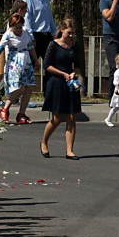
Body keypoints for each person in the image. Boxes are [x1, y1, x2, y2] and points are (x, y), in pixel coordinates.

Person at [38, 18, 82, 160]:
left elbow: (78, 65)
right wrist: (63, 74)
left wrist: (74, 72)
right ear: (62, 30)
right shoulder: (53, 45)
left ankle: (70, 151)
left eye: (73, 33)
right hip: (56, 82)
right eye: (69, 32)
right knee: (57, 118)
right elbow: (46, 65)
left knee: (71, 117)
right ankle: (44, 141)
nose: (71, 35)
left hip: (70, 83)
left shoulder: (74, 46)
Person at [0, 14, 38, 124]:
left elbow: (30, 47)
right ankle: (5, 109)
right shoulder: (8, 35)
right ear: (11, 26)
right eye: (15, 27)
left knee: (29, 87)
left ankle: (21, 114)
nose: (17, 30)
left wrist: (36, 61)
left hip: (26, 63)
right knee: (19, 88)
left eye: (19, 27)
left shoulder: (25, 33)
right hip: (15, 63)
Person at [23, 0, 57, 80]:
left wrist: (54, 31)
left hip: (46, 35)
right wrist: (31, 37)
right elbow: (27, 18)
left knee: (51, 66)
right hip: (35, 36)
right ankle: (22, 90)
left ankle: (49, 93)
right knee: (30, 66)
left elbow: (49, 14)